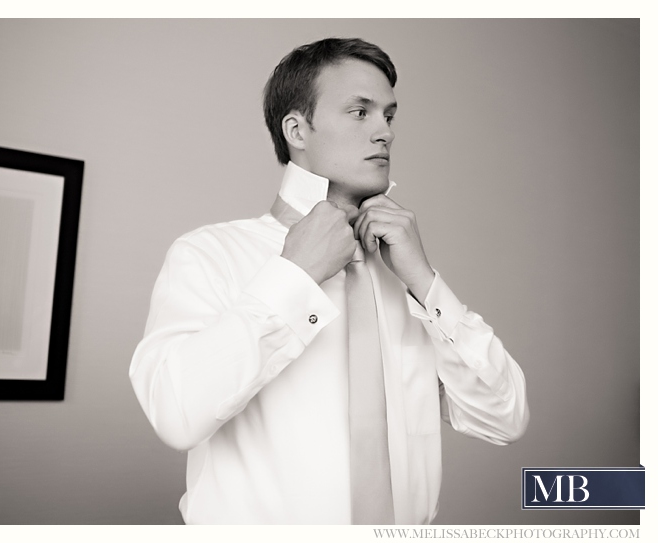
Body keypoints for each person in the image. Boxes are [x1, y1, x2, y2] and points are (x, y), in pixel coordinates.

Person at [129, 37, 529, 525]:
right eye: (360, 112)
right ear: (297, 129)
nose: (384, 132)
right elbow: (176, 414)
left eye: (389, 115)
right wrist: (294, 276)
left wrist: (424, 281)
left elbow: (504, 419)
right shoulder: (210, 255)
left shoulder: (404, 279)